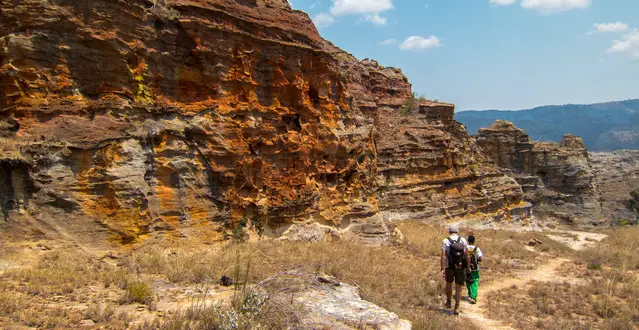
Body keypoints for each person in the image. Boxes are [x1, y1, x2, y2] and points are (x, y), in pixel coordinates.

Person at [441, 224, 470, 315]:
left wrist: (442, 268)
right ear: (457, 231)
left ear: (449, 231)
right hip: (461, 266)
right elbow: (467, 255)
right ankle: (457, 307)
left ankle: (449, 301)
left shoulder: (445, 241)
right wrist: (468, 267)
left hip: (449, 266)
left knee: (449, 283)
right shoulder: (463, 240)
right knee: (459, 286)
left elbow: (443, 255)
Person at [465, 234, 484, 305]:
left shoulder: (465, 248)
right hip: (475, 268)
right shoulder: (477, 249)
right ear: (474, 241)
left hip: (466, 267)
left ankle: (470, 294)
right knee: (475, 281)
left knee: (468, 281)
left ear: (468, 240)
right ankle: (473, 297)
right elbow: (481, 259)